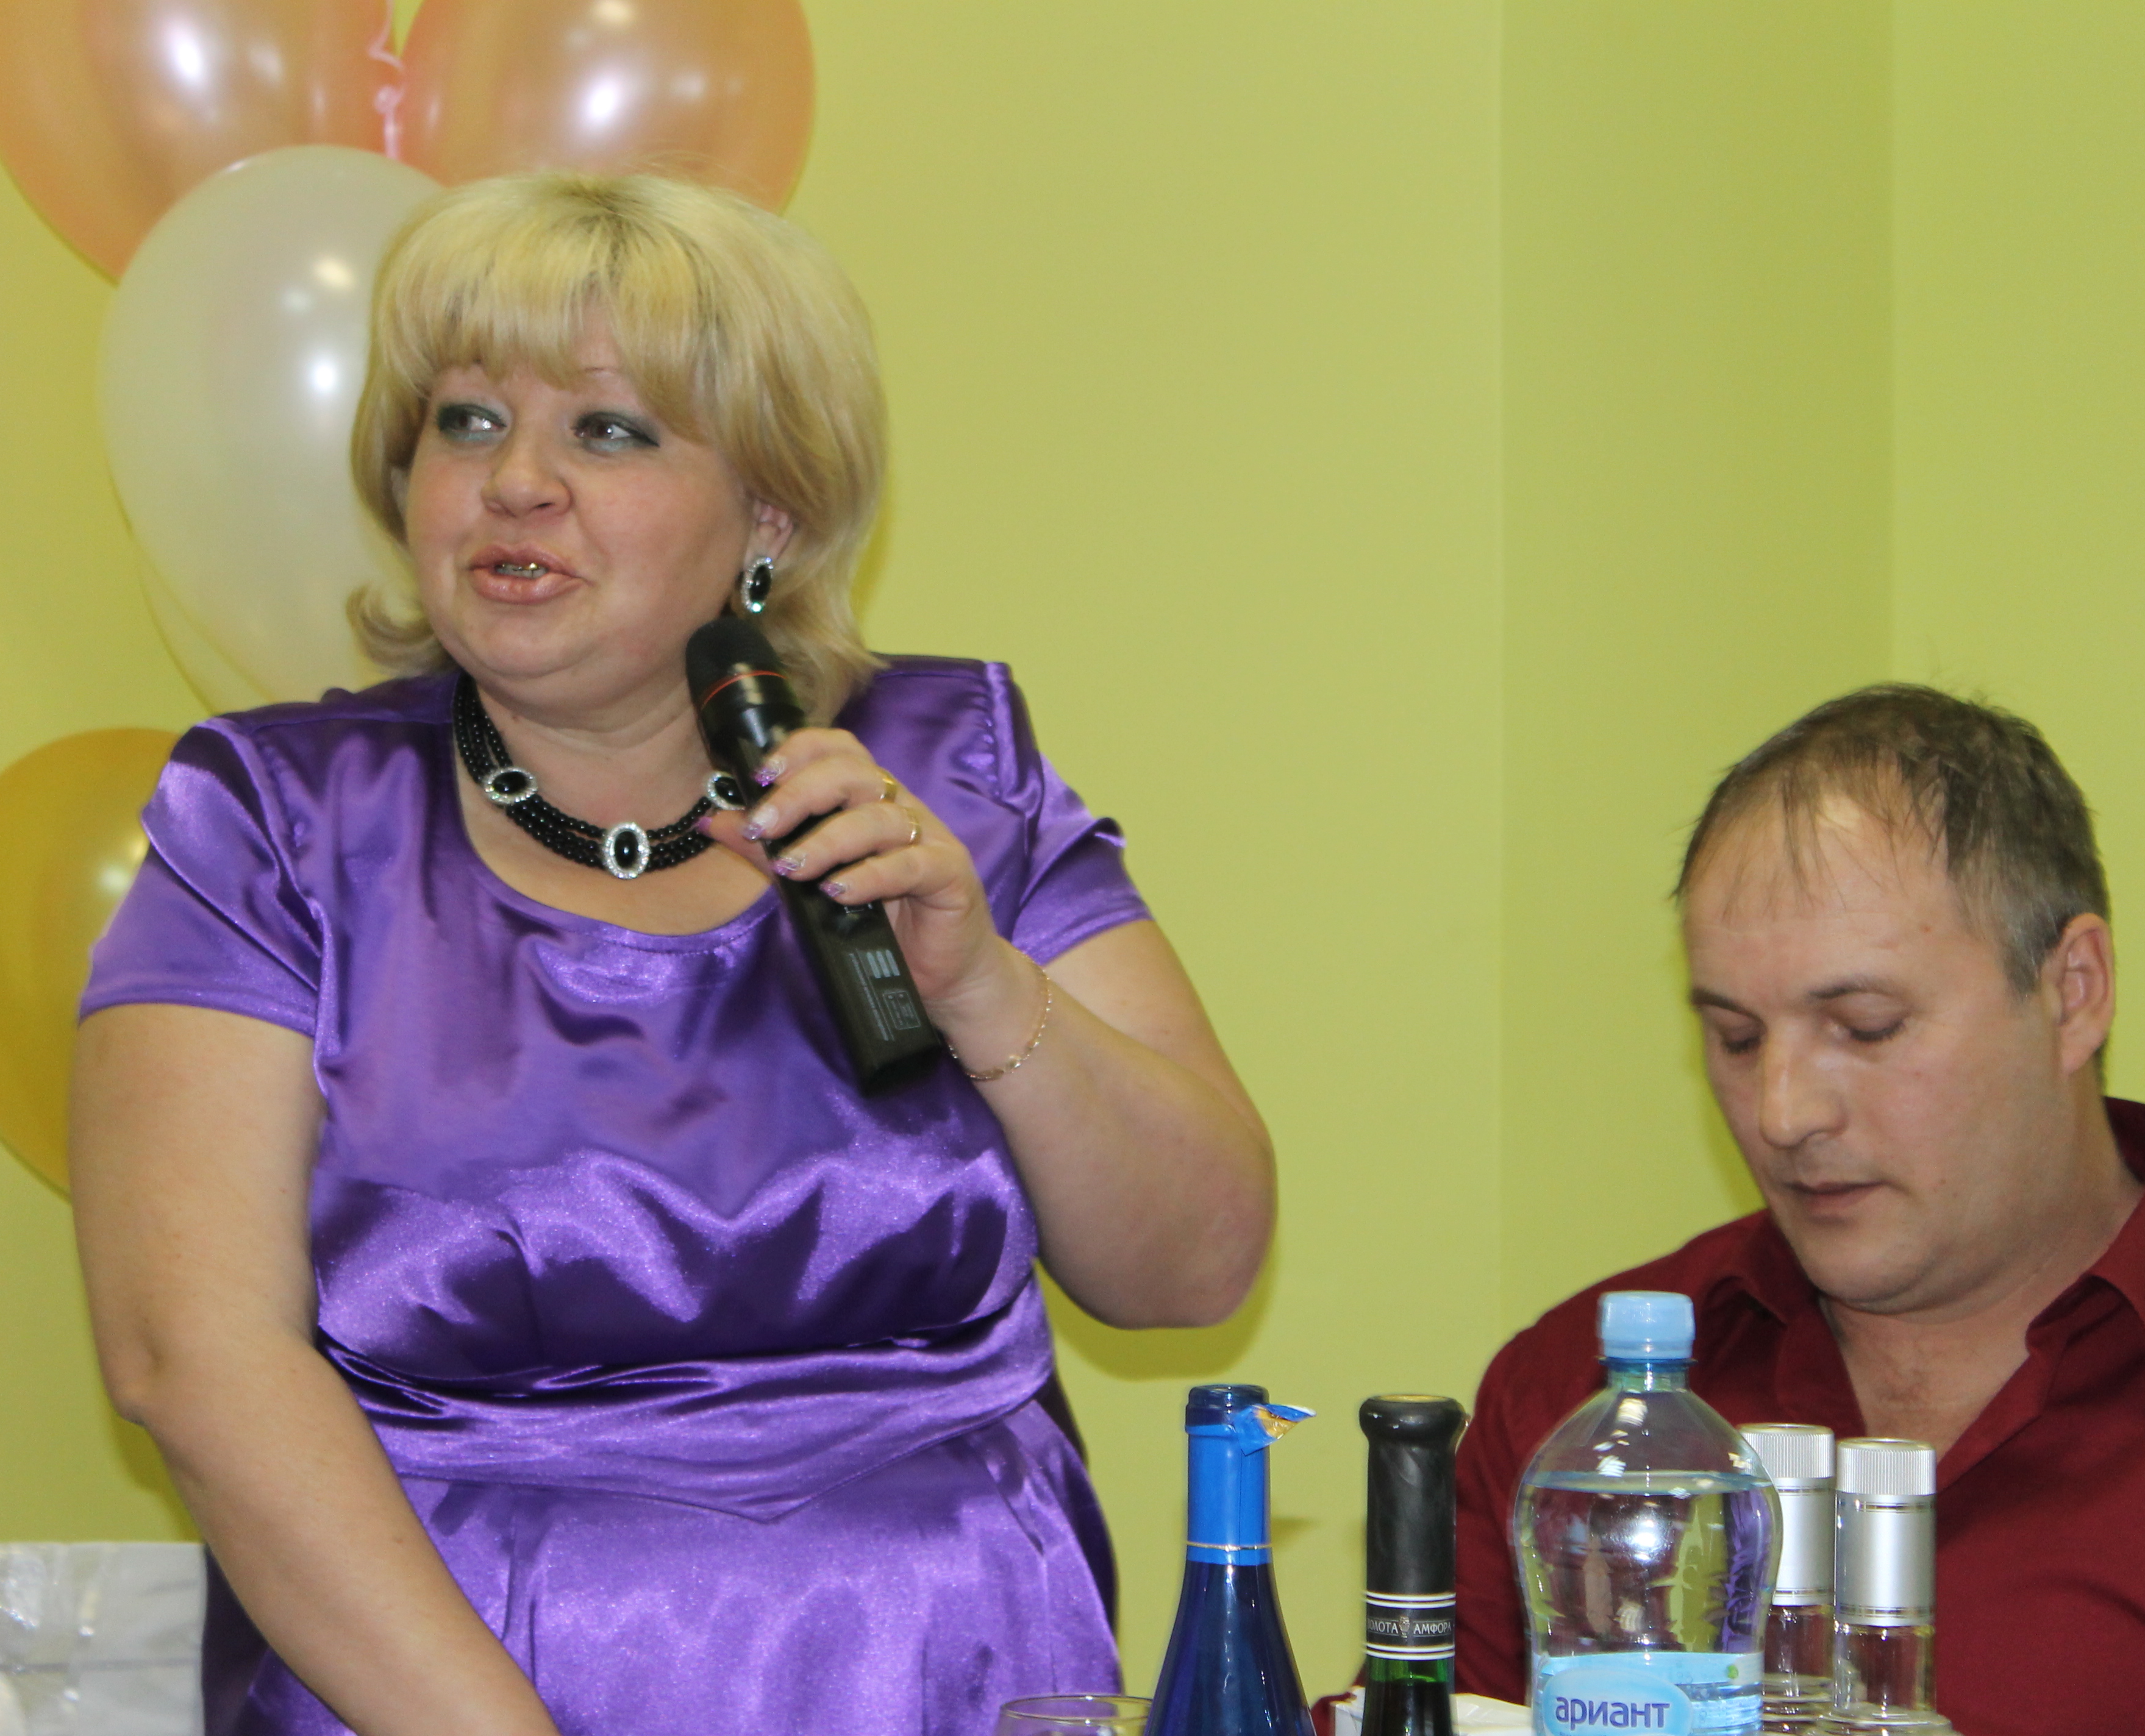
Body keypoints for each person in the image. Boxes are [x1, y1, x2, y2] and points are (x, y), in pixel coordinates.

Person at [69, 173, 1276, 1736]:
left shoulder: (950, 777)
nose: (517, 483)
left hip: (959, 1678)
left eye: (610, 430)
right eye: (467, 421)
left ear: (770, 516)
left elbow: (1194, 1269)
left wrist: (982, 982)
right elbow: (191, 1355)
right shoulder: (278, 821)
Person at [1455, 685, 2145, 1735]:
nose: (1783, 1114)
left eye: (1864, 1027)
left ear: (2074, 992)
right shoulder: (1574, 1406)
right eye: (1736, 1039)